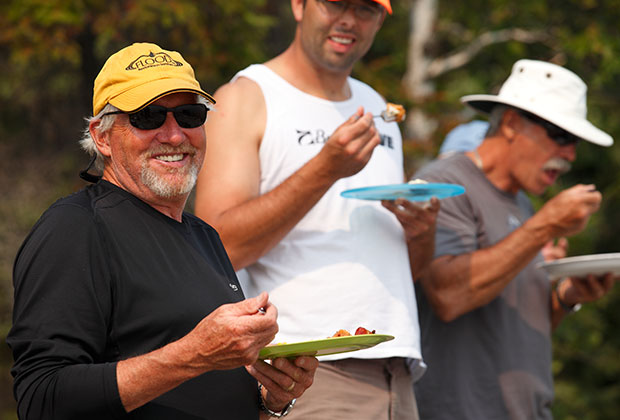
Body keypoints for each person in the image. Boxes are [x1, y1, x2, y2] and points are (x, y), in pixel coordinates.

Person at [7, 42, 318, 420]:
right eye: (147, 116)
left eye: (189, 114)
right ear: (101, 136)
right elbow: (42, 400)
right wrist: (193, 354)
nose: (174, 135)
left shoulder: (205, 236)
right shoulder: (76, 227)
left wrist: (272, 399)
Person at [194, 1, 439, 419]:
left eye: (365, 8)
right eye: (335, 3)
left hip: (396, 370)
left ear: (381, 20)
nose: (348, 19)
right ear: (298, 6)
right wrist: (325, 169)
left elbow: (397, 269)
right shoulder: (245, 97)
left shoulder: (378, 107)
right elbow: (216, 247)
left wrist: (421, 233)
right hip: (304, 372)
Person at [412, 59, 617, 419]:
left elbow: (514, 328)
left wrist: (567, 298)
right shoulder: (443, 184)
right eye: (561, 136)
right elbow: (449, 295)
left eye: (574, 142)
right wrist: (545, 225)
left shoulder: (522, 202)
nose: (570, 154)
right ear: (510, 123)